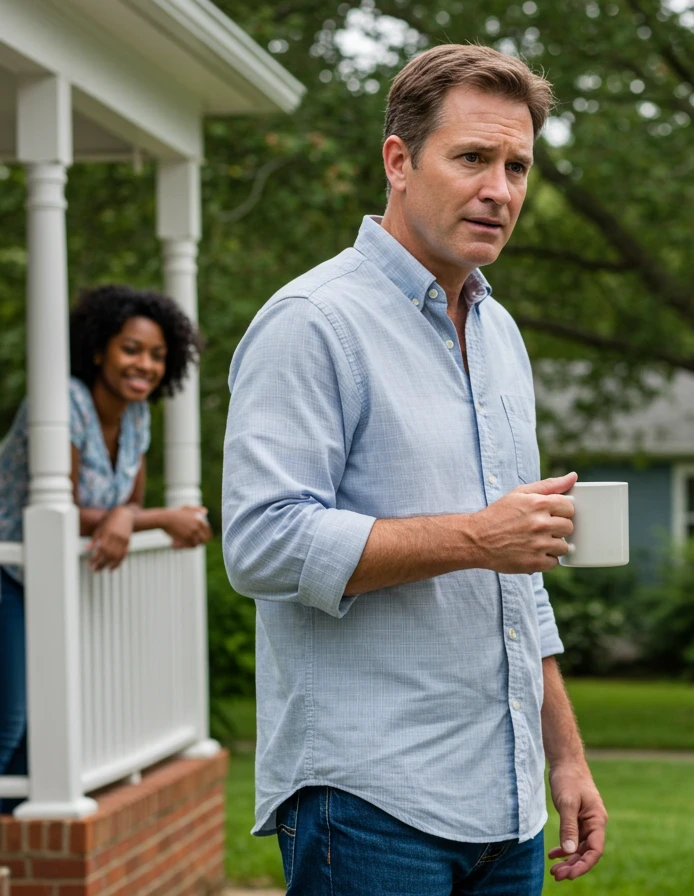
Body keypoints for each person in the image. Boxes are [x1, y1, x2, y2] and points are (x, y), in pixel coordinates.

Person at [222, 44, 606, 895]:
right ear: (398, 160)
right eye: (472, 157)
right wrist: (477, 536)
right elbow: (261, 545)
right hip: (368, 800)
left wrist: (566, 756)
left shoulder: (500, 335)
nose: (500, 189)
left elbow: (520, 573)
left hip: (505, 812)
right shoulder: (311, 324)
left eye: (517, 166)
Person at [0, 284, 211, 813]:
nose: (145, 364)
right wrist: (154, 517)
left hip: (53, 581)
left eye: (158, 355)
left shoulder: (137, 416)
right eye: (131, 348)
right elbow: (60, 509)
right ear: (99, 350)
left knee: (43, 730)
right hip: (10, 567)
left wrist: (126, 515)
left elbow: (129, 506)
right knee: (11, 720)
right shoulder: (61, 404)